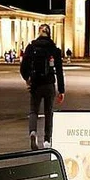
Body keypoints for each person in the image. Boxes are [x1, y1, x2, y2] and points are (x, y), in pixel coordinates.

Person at [20, 23, 65, 151]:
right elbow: (60, 71)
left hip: (36, 84)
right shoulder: (54, 49)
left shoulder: (31, 47)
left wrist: (27, 79)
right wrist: (61, 90)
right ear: (49, 33)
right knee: (48, 112)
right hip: (49, 84)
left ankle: (33, 132)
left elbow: (23, 67)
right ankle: (47, 140)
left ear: (39, 33)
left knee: (33, 110)